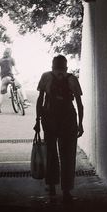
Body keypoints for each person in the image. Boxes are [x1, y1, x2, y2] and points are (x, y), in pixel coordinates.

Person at [34, 55, 84, 203]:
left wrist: (37, 120)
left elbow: (40, 99)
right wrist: (80, 123)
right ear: (66, 67)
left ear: (52, 66)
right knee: (68, 155)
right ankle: (67, 191)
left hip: (49, 120)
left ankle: (52, 187)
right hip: (68, 121)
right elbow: (80, 104)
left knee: (51, 153)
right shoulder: (72, 79)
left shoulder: (46, 77)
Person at [0, 47, 31, 114]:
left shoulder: (0, 60)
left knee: (1, 94)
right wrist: (17, 72)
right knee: (21, 86)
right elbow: (15, 69)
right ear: (10, 53)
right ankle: (25, 101)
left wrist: (0, 75)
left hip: (3, 79)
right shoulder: (11, 59)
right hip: (10, 77)